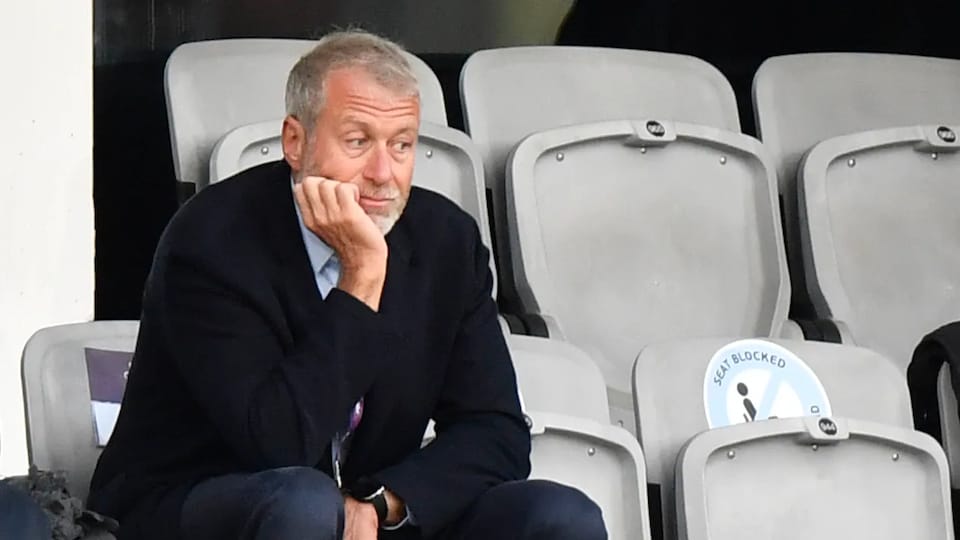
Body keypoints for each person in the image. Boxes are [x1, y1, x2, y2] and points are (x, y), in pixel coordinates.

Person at [87, 29, 606, 540]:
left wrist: (385, 502)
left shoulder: (446, 241)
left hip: (358, 511)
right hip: (203, 506)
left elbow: (496, 433)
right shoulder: (212, 242)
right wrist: (362, 276)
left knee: (560, 516)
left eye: (402, 145)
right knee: (305, 503)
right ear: (296, 141)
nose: (384, 173)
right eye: (358, 142)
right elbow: (276, 444)